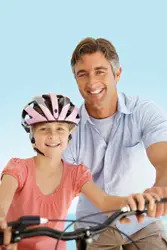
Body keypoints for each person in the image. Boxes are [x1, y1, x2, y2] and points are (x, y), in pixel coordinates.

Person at [0, 93, 159, 250]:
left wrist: (130, 202)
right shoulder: (18, 168)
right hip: (13, 244)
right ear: (32, 134)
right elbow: (2, 204)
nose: (53, 135)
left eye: (60, 129)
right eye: (44, 129)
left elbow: (104, 202)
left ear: (69, 134)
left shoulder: (75, 174)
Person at [63, 37, 167, 250]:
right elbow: (66, 184)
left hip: (143, 222)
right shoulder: (67, 128)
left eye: (100, 71)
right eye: (82, 74)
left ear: (117, 74)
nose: (92, 82)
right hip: (94, 227)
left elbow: (163, 158)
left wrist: (160, 189)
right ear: (75, 79)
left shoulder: (144, 112)